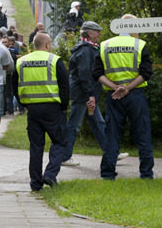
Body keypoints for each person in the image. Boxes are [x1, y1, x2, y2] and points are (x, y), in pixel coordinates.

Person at [93, 17, 155, 179]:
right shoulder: (139, 45)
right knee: (142, 133)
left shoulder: (105, 45)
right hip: (135, 95)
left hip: (113, 96)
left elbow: (97, 73)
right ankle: (147, 174)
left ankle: (107, 174)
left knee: (112, 135)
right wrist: (127, 88)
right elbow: (146, 73)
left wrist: (115, 87)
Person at [13, 33, 69, 190]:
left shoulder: (21, 61)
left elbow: (14, 86)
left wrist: (22, 103)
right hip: (53, 109)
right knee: (60, 141)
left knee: (36, 147)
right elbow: (65, 86)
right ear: (48, 45)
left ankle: (35, 183)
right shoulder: (54, 60)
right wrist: (64, 106)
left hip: (33, 109)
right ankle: (50, 175)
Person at [63, 21, 110, 166]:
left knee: (98, 122)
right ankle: (64, 157)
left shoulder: (88, 48)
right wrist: (90, 94)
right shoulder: (85, 50)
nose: (100, 34)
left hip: (86, 94)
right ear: (90, 33)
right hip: (83, 95)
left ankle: (110, 151)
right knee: (74, 125)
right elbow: (85, 75)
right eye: (98, 31)